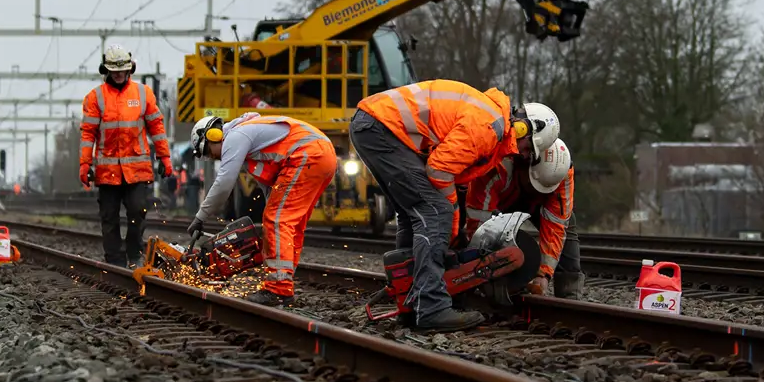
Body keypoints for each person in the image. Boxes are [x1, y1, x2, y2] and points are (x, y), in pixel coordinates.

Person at [350, 80, 558, 332]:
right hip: (382, 128)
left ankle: (410, 302)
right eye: (529, 149)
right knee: (434, 212)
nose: (523, 155)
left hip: (375, 125)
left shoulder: (489, 118)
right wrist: (450, 218)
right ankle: (432, 308)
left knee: (412, 215)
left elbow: (450, 172)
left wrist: (452, 227)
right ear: (525, 128)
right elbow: (439, 171)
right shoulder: (489, 126)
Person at [189, 113, 338, 306]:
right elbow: (271, 189)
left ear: (213, 136)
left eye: (209, 152)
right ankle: (282, 277)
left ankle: (278, 289)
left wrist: (200, 217)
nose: (214, 157)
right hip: (322, 156)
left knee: (278, 220)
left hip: (308, 155)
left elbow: (224, 184)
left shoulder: (235, 137)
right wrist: (269, 238)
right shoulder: (249, 138)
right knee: (289, 223)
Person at [80, 45, 174, 266]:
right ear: (107, 70)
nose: (119, 74)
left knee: (137, 211)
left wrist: (165, 157)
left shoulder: (143, 94)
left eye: (122, 70)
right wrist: (85, 164)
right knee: (109, 218)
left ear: (130, 69)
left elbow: (157, 127)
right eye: (114, 70)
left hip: (137, 171)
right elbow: (88, 134)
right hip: (107, 172)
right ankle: (114, 261)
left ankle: (134, 252)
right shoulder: (95, 98)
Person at [460, 138, 583, 299]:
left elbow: (556, 226)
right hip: (499, 200)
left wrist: (543, 274)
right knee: (458, 222)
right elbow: (477, 223)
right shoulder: (499, 167)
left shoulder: (562, 173)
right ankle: (457, 284)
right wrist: (481, 261)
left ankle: (570, 294)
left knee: (568, 224)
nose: (542, 191)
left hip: (535, 204)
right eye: (539, 187)